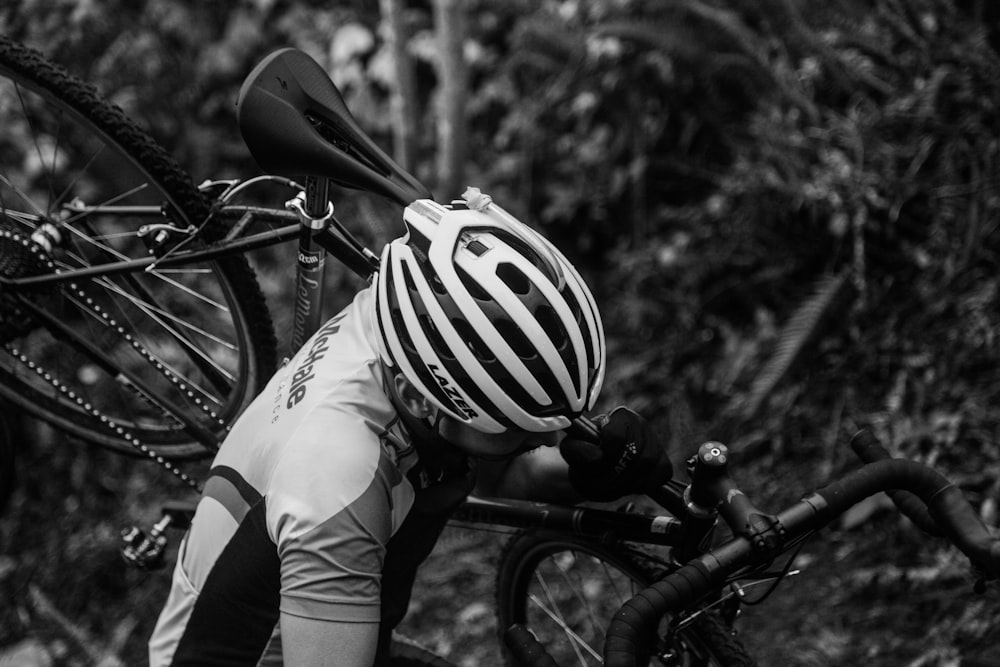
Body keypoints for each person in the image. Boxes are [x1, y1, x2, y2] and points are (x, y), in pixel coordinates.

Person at [148, 193, 672, 666]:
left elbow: (501, 471)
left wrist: (593, 474)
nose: (554, 437)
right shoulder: (336, 477)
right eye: (521, 425)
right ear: (424, 401)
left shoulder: (414, 328)